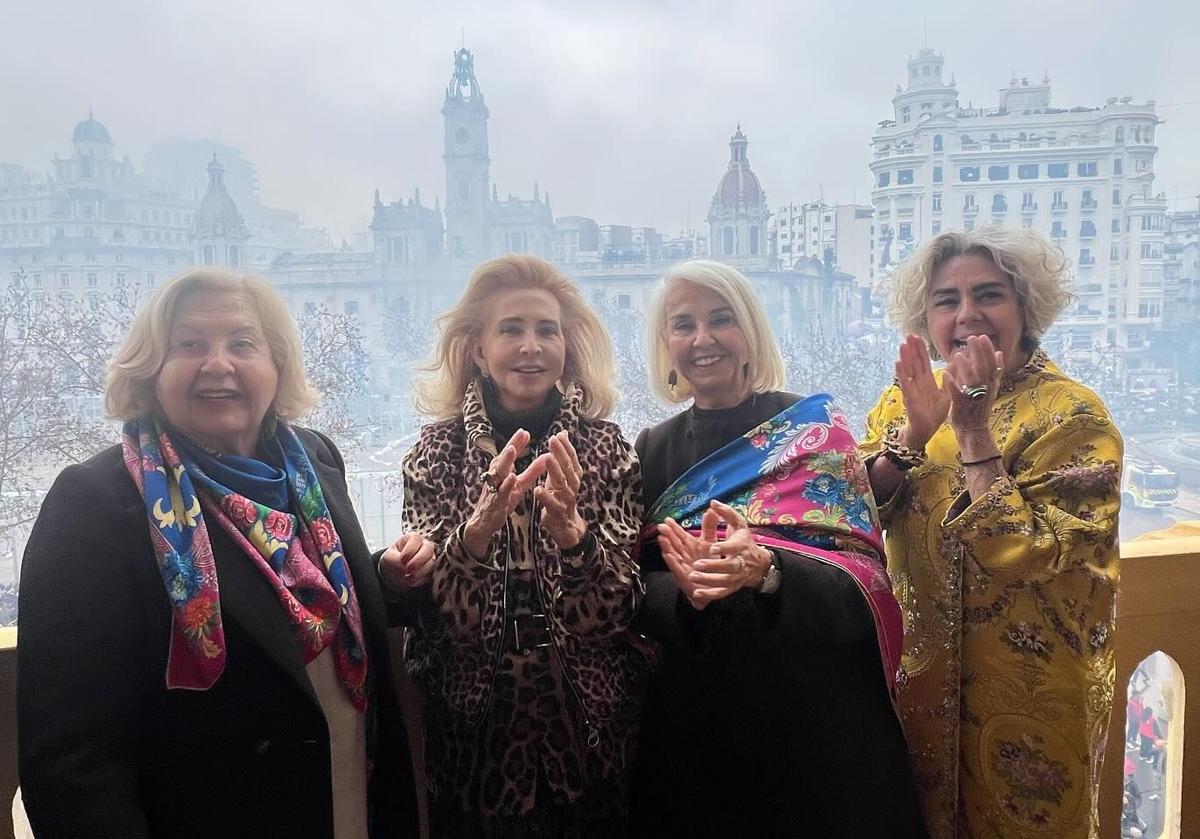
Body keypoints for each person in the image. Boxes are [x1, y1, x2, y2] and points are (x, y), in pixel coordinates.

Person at [17, 269, 418, 838]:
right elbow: (72, 764)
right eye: (189, 345)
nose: (217, 364)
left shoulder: (314, 462)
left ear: (277, 365)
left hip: (349, 802)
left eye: (243, 343)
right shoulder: (98, 504)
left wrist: (385, 575)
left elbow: (306, 592)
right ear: (151, 369)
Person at [630, 260, 925, 838]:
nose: (702, 339)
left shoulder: (812, 428)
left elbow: (862, 580)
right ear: (666, 344)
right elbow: (637, 585)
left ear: (750, 332)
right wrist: (688, 591)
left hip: (814, 716)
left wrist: (766, 570)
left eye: (721, 319)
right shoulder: (652, 448)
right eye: (682, 324)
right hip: (699, 724)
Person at [862, 226, 1123, 837]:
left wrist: (975, 434)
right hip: (919, 698)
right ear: (925, 319)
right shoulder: (905, 400)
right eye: (946, 301)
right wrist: (910, 439)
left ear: (1026, 307)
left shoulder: (1074, 416)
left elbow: (1031, 557)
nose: (968, 315)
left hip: (1031, 707)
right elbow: (855, 519)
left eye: (989, 295)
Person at [381, 254, 645, 837]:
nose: (531, 346)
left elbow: (621, 610)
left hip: (591, 729)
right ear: (478, 350)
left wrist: (575, 541)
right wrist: (474, 537)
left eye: (546, 330)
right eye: (511, 329)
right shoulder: (437, 453)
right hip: (473, 732)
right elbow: (440, 617)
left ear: (566, 349)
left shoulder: (608, 450)